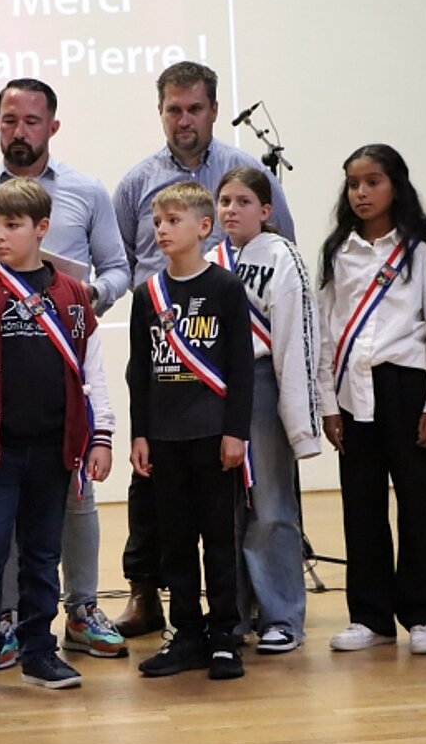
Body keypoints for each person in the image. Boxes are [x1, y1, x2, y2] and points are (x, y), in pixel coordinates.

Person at [0, 78, 131, 668]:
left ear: (53, 126)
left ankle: (83, 610)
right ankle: (5, 625)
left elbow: (117, 267)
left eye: (31, 121)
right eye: (8, 120)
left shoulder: (87, 192)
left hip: (62, 379)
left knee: (73, 506)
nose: (20, 131)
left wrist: (85, 297)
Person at [111, 60, 297, 636]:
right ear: (160, 111)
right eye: (173, 109)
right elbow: (122, 263)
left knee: (252, 496)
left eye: (194, 108)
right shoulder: (137, 183)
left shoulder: (245, 172)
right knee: (159, 497)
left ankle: (266, 613)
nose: (183, 119)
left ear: (213, 109)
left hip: (235, 362)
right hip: (166, 360)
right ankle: (167, 603)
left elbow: (281, 250)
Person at [317, 144, 426, 656]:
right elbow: (329, 333)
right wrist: (328, 403)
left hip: (407, 385)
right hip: (354, 391)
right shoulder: (339, 252)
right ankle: (369, 615)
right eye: (353, 183)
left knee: (418, 502)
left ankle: (422, 613)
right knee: (361, 504)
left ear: (395, 184)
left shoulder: (419, 250)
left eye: (373, 182)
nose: (361, 192)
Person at [127, 182, 253, 680]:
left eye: (174, 220)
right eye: (158, 222)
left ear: (204, 227)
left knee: (217, 540)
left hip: (211, 435)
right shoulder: (147, 295)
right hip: (164, 438)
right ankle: (186, 634)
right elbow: (139, 371)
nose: (162, 229)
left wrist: (235, 431)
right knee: (174, 542)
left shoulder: (224, 288)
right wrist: (140, 434)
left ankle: (225, 635)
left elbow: (240, 367)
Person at [211, 166, 322, 654]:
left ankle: (282, 616)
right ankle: (233, 613)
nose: (231, 210)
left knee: (272, 504)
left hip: (263, 386)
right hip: (214, 394)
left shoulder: (282, 257)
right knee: (225, 510)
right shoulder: (209, 259)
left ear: (265, 210)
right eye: (224, 201)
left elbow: (296, 339)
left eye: (242, 201)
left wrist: (299, 415)